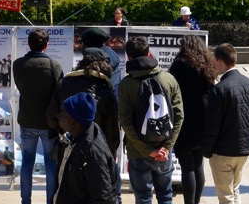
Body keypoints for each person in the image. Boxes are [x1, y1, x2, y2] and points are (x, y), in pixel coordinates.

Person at [118, 36, 184, 204]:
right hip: (163, 150)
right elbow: (179, 116)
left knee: (143, 197)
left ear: (129, 56)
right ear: (149, 53)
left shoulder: (126, 84)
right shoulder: (168, 79)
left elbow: (125, 122)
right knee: (165, 196)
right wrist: (166, 148)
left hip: (137, 150)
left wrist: (147, 150)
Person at [201, 43, 249, 204]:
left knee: (226, 197)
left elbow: (212, 126)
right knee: (234, 191)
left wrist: (207, 150)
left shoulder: (219, 89)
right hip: (243, 150)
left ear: (220, 62)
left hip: (223, 152)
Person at [13, 28, 63, 204]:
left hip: (27, 120)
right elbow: (59, 93)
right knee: (51, 164)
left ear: (29, 44)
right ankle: (50, 201)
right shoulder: (54, 66)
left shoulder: (18, 64)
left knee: (27, 162)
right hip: (49, 123)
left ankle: (25, 201)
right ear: (46, 45)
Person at [46, 47, 120, 160]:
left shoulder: (63, 84)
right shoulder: (105, 91)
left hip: (68, 149)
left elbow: (52, 117)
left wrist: (64, 132)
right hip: (95, 152)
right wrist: (110, 154)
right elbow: (112, 131)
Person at [169, 35, 216, 204]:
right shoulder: (207, 66)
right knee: (198, 165)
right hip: (203, 122)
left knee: (187, 167)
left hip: (184, 121)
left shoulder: (180, 65)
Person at [53, 92, 117, 204]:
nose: (58, 116)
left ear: (74, 122)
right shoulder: (75, 138)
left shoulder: (92, 152)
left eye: (62, 113)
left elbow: (102, 199)